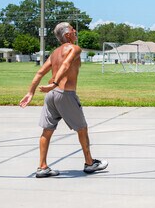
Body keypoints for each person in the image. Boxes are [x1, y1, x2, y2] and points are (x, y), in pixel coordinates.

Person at [19, 22, 108, 178]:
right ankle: (89, 163)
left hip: (51, 96)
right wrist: (54, 84)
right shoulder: (75, 49)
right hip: (64, 94)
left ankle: (42, 167)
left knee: (47, 131)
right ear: (67, 35)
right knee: (82, 128)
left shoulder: (54, 53)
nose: (75, 32)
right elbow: (66, 65)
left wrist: (30, 92)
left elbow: (40, 72)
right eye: (73, 30)